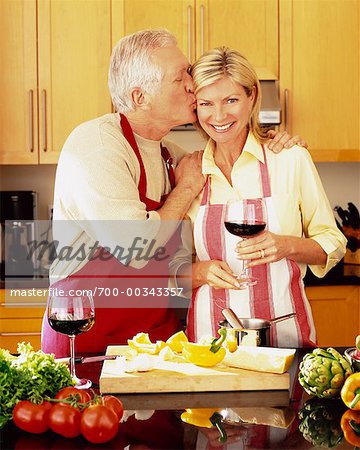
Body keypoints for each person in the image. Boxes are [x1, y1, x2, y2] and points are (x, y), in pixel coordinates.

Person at [41, 30, 307, 357]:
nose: (192, 84)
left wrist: (277, 145)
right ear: (140, 97)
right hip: (87, 335)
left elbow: (233, 165)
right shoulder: (96, 146)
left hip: (155, 339)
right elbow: (135, 247)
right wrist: (187, 188)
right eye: (180, 77)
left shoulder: (172, 153)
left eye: (189, 72)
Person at [173, 47, 347, 348]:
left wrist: (288, 245)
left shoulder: (290, 159)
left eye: (231, 100)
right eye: (206, 103)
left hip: (284, 337)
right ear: (195, 108)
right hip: (208, 342)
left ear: (252, 96)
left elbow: (333, 242)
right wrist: (200, 271)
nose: (219, 116)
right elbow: (165, 273)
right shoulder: (188, 171)